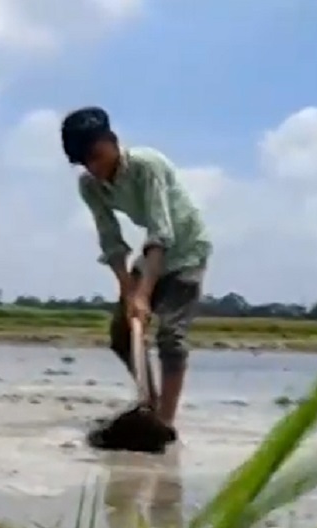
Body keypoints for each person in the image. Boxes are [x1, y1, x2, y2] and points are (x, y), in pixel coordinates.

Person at [61, 106, 212, 442]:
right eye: (85, 162)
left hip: (186, 249)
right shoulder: (91, 186)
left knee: (170, 336)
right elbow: (111, 241)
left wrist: (144, 294)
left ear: (113, 142)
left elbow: (161, 232)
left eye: (97, 156)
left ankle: (165, 423)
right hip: (152, 258)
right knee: (122, 332)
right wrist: (130, 292)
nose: (94, 168)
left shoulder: (147, 166)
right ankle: (149, 400)